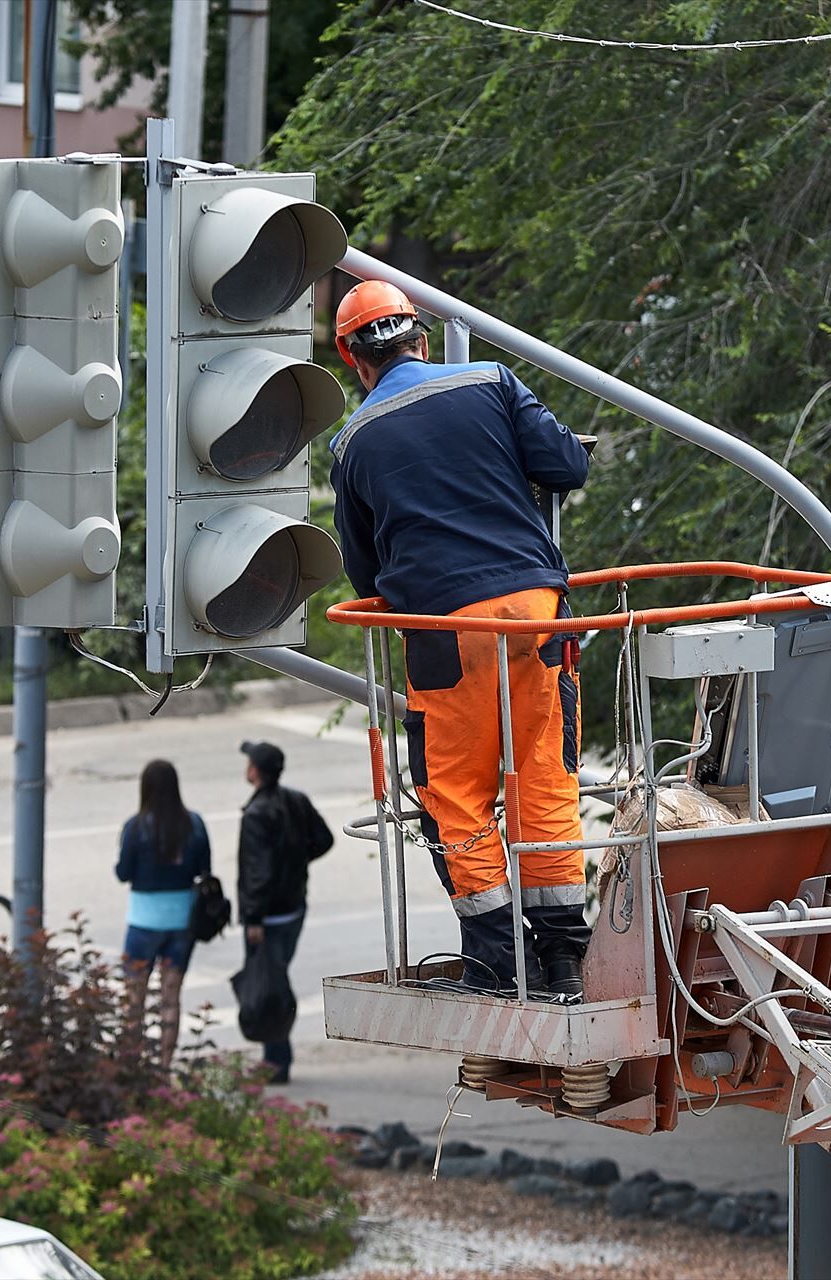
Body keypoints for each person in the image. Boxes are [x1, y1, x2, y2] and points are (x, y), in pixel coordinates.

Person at [327, 280, 593, 998]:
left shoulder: (351, 443)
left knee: (457, 794)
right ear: (418, 337)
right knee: (545, 773)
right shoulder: (492, 381)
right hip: (538, 611)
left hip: (445, 629)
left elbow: (363, 574)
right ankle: (567, 955)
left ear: (354, 360)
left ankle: (500, 961)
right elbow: (568, 466)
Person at [235, 740, 334, 1082]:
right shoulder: (296, 800)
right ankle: (274, 1059)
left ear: (255, 771)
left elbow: (257, 873)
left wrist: (253, 918)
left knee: (268, 985)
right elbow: (323, 840)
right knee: (274, 977)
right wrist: (295, 862)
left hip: (270, 916)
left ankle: (276, 1063)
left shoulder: (257, 814)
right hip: (294, 907)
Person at [115, 759, 212, 1069]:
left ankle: (133, 1066)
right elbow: (204, 869)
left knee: (135, 1001)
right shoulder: (194, 824)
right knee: (170, 998)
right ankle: (164, 1067)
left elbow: (123, 873)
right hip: (182, 922)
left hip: (143, 924)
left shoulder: (136, 826)